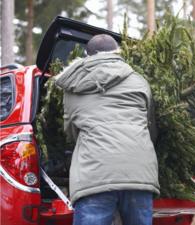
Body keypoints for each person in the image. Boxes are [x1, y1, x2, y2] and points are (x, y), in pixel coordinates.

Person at [55, 34, 159, 225]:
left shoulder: (73, 88)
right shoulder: (140, 81)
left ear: (87, 56)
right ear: (118, 53)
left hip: (94, 176)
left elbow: (70, 131)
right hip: (138, 171)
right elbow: (149, 126)